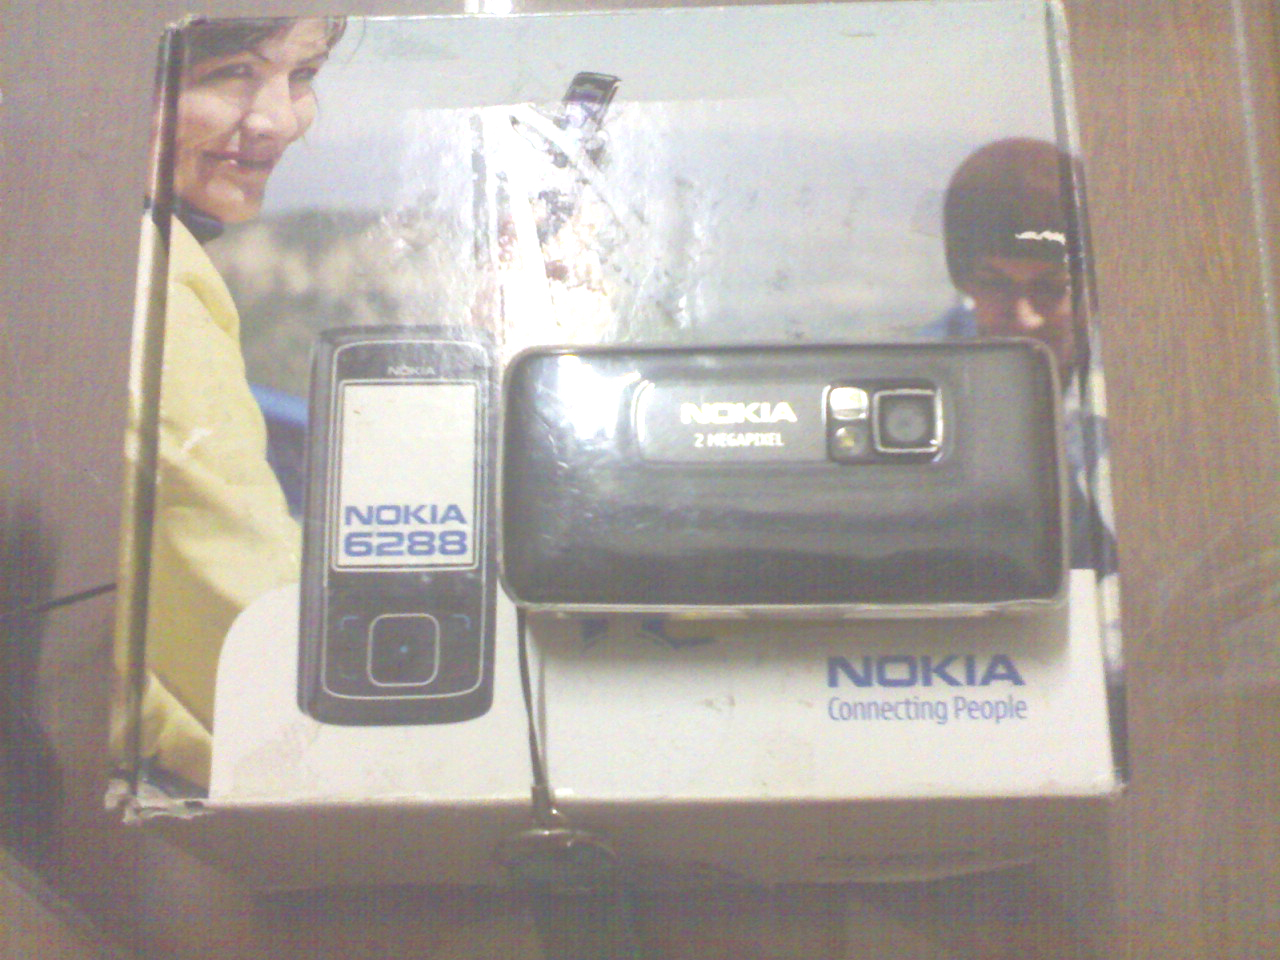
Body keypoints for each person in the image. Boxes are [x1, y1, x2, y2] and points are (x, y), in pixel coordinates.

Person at [117, 17, 343, 794]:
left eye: (302, 75)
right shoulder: (155, 286)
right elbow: (253, 625)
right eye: (231, 74)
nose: (280, 120)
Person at [933, 137, 1115, 575]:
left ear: (1092, 291)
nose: (1026, 317)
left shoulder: (1138, 389)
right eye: (995, 284)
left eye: (1052, 288)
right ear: (964, 282)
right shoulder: (928, 377)